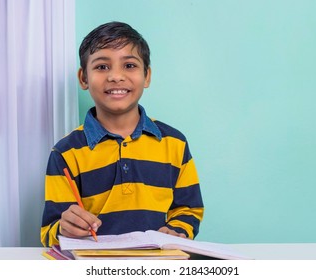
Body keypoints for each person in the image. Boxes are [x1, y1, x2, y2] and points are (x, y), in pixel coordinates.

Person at [40, 21, 204, 247]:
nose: (116, 76)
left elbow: (189, 209)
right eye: (102, 67)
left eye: (129, 65)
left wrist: (176, 231)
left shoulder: (174, 142)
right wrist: (65, 228)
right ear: (83, 78)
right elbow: (49, 232)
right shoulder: (65, 152)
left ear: (146, 76)